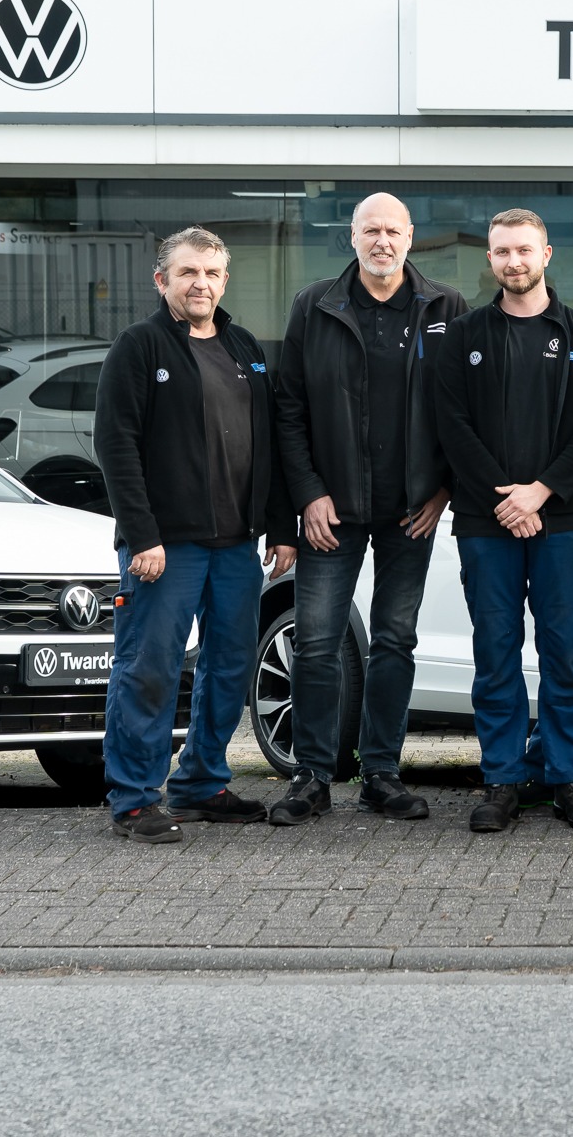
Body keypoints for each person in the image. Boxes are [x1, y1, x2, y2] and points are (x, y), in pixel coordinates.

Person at [267, 192, 466, 827]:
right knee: (318, 642)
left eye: (393, 231)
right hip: (335, 509)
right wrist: (307, 495)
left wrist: (443, 492)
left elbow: (464, 412)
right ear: (351, 238)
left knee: (395, 641)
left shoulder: (445, 308)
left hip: (414, 509)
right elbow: (288, 411)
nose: (382, 241)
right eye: (370, 230)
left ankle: (382, 773)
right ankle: (312, 775)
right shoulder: (316, 306)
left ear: (412, 238)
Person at [91, 228, 294, 843]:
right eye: (187, 273)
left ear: (224, 281)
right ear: (163, 281)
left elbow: (274, 442)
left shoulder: (243, 347)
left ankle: (202, 782)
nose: (199, 283)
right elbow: (115, 446)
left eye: (211, 273)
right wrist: (141, 533)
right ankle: (133, 798)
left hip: (236, 542)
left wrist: (281, 526)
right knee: (148, 667)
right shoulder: (138, 346)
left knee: (230, 666)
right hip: (164, 546)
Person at [432, 209, 573, 833]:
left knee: (566, 653)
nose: (514, 262)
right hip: (488, 524)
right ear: (491, 260)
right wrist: (503, 501)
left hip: (566, 519)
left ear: (547, 255)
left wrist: (540, 492)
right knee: (496, 652)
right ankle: (503, 779)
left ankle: (569, 776)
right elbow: (451, 426)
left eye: (525, 251)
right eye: (503, 251)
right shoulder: (463, 337)